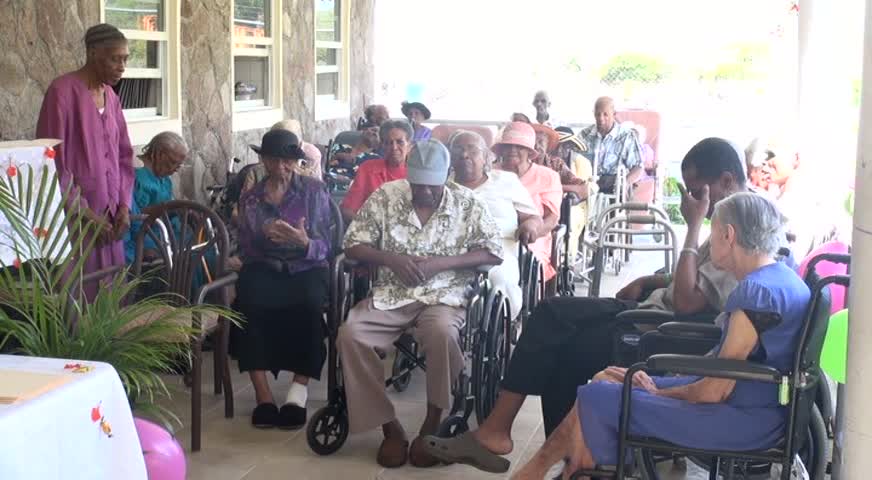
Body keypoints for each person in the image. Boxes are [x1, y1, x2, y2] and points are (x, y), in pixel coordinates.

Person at [422, 137, 756, 473]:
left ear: (726, 181)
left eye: (697, 191)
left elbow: (687, 303)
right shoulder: (738, 215)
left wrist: (694, 224)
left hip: (662, 329)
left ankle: (521, 441)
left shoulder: (743, 228)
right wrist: (651, 281)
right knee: (552, 316)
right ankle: (551, 452)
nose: (690, 200)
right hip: (650, 310)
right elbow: (694, 279)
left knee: (558, 339)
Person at [510, 192, 810, 479]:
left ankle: (553, 473)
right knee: (606, 379)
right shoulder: (783, 277)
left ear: (728, 235)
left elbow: (713, 392)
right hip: (755, 407)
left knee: (599, 396)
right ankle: (552, 473)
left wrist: (657, 391)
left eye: (713, 230)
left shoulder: (756, 293)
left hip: (742, 418)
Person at [337, 139, 504, 469]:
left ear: (446, 178)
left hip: (444, 296)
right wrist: (391, 259)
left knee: (441, 333)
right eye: (417, 185)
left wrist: (442, 264)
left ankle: (432, 422)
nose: (423, 193)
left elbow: (493, 251)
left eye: (431, 186)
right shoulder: (387, 196)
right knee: (350, 334)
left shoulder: (468, 203)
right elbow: (353, 244)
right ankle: (390, 427)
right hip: (391, 294)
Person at [232, 129, 333, 431]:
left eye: (288, 161)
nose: (281, 167)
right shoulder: (251, 197)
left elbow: (328, 243)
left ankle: (297, 394)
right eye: (274, 160)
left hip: (305, 266)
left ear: (296, 162)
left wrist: (303, 243)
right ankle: (263, 398)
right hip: (264, 266)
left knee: (311, 304)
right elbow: (247, 245)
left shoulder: (313, 191)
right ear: (263, 160)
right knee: (248, 304)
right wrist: (267, 238)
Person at [36, 23, 134, 296]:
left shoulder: (111, 98)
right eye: (115, 58)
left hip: (111, 221)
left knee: (111, 302)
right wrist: (87, 215)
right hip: (77, 222)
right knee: (81, 301)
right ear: (93, 53)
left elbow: (124, 156)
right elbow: (52, 161)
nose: (122, 66)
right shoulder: (62, 92)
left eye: (125, 59)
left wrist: (124, 206)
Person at [449, 130, 543, 319]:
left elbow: (532, 217)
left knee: (502, 284)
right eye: (458, 150)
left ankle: (501, 328)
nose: (465, 155)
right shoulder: (443, 187)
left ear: (486, 158)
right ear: (450, 158)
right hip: (453, 251)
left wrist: (530, 226)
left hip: (500, 250)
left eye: (472, 150)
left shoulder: (506, 181)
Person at [494, 122, 562, 282]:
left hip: (532, 237)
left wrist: (530, 234)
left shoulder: (547, 176)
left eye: (519, 147)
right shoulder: (491, 173)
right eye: (507, 146)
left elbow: (551, 220)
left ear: (529, 151)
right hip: (495, 235)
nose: (512, 151)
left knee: (525, 261)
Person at [124, 132, 187, 263]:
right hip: (149, 236)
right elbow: (136, 216)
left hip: (167, 232)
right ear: (159, 154)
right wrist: (172, 208)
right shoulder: (139, 176)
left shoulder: (164, 177)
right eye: (174, 162)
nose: (177, 169)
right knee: (189, 259)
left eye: (180, 165)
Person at [339, 120, 414, 222]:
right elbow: (348, 210)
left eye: (400, 142)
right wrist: (369, 227)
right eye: (388, 143)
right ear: (382, 146)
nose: (394, 147)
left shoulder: (417, 174)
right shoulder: (368, 169)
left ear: (409, 146)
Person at [578, 97, 644, 194]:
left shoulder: (626, 136)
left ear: (614, 114)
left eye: (605, 114)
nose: (601, 118)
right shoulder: (584, 135)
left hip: (614, 185)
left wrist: (625, 182)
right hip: (588, 183)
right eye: (598, 114)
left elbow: (638, 166)